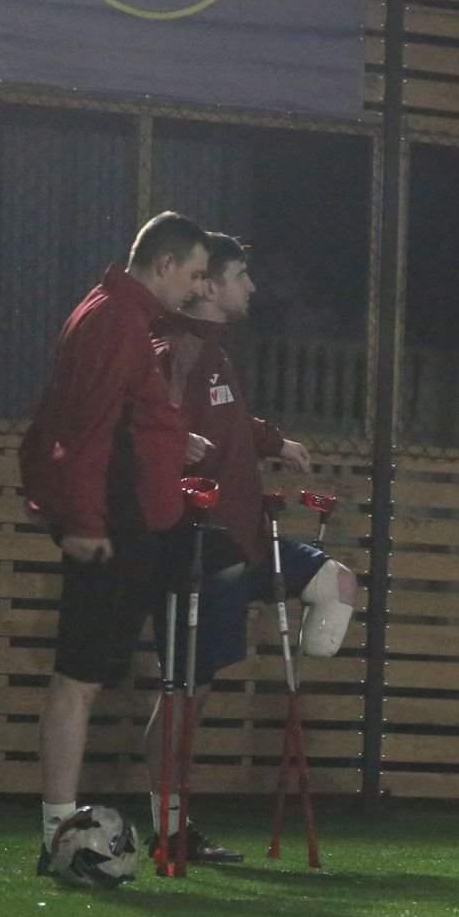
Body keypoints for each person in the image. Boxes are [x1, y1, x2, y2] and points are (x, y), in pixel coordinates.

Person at [144, 233, 360, 865]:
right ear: (207, 285)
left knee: (337, 582)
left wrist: (273, 441)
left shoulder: (214, 352)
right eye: (241, 276)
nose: (252, 287)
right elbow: (153, 424)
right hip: (200, 548)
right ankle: (168, 829)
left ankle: (177, 821)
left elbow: (226, 421)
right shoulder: (177, 349)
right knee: (185, 694)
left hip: (244, 541)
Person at [19, 210, 210, 875]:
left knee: (88, 677)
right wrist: (86, 524)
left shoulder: (117, 316)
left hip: (127, 522)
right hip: (113, 525)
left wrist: (171, 438)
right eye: (194, 273)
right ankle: (58, 833)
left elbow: (112, 416)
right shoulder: (116, 322)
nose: (196, 288)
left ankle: (62, 829)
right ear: (164, 264)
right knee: (77, 679)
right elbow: (85, 430)